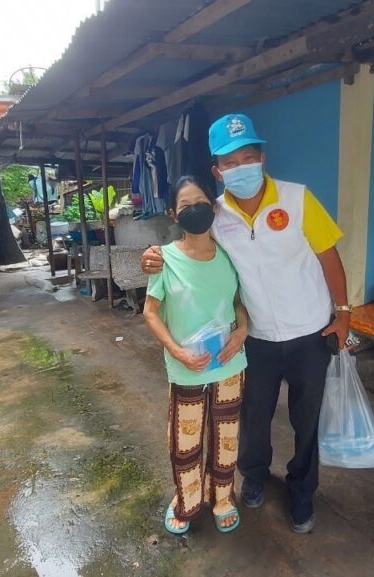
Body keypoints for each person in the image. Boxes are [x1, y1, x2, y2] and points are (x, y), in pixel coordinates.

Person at [142, 113, 351, 533]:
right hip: (256, 337)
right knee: (253, 418)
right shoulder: (215, 213)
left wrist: (343, 313)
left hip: (310, 331)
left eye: (248, 158)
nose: (241, 168)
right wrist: (153, 254)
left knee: (306, 419)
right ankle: (254, 476)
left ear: (262, 158)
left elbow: (328, 254)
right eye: (230, 162)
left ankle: (302, 491)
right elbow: (190, 245)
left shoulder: (297, 198)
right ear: (218, 171)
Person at [143, 175, 249, 535]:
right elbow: (150, 313)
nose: (195, 210)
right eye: (185, 206)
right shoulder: (164, 259)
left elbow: (239, 302)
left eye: (201, 202)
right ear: (174, 214)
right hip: (187, 368)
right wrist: (177, 352)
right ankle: (186, 501)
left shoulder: (229, 256)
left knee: (226, 439)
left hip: (230, 363)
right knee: (184, 443)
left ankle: (222, 499)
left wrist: (242, 331)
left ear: (213, 207)